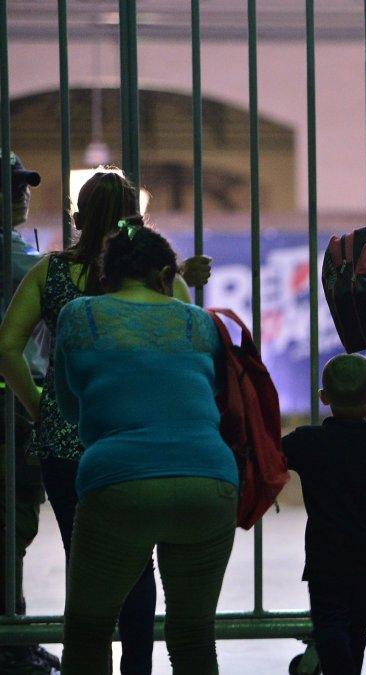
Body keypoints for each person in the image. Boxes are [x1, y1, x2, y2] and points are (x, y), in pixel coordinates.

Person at [0, 167, 211, 675]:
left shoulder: (49, 273)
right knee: (140, 563)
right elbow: (192, 338)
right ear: (139, 217)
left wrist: (39, 407)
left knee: (86, 565)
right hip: (137, 436)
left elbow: (8, 346)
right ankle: (136, 666)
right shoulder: (159, 279)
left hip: (66, 441)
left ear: (75, 216)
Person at [53, 220, 236, 673]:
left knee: (88, 629)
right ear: (165, 277)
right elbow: (208, 397)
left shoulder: (80, 315)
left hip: (119, 483)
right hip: (209, 481)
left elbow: (69, 405)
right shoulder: (199, 322)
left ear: (105, 276)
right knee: (193, 634)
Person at [283, 354, 366, 675]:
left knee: (329, 621)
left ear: (323, 398)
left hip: (325, 553)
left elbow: (268, 458)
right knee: (357, 627)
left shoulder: (306, 441)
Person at [0, 151, 62, 674]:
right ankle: (9, 638)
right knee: (12, 521)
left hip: (15, 401)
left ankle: (12, 630)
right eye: (12, 183)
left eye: (24, 183)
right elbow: (68, 289)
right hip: (13, 405)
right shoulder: (13, 256)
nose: (23, 192)